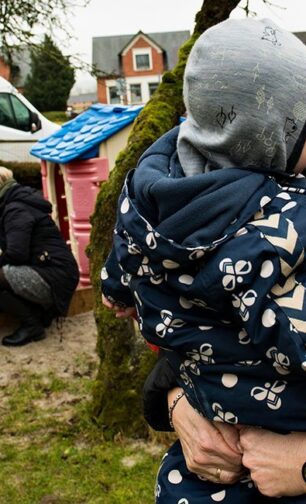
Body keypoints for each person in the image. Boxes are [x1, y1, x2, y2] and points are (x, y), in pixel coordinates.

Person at [101, 17, 306, 503]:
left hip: (199, 478)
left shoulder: (152, 198)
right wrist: (173, 402)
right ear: (275, 134)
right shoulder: (286, 222)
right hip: (259, 436)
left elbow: (125, 282)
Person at [0, 167, 79, 346]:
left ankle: (31, 326)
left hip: (54, 276)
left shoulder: (15, 209)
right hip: (56, 271)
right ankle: (39, 314)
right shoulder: (16, 203)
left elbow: (16, 253)